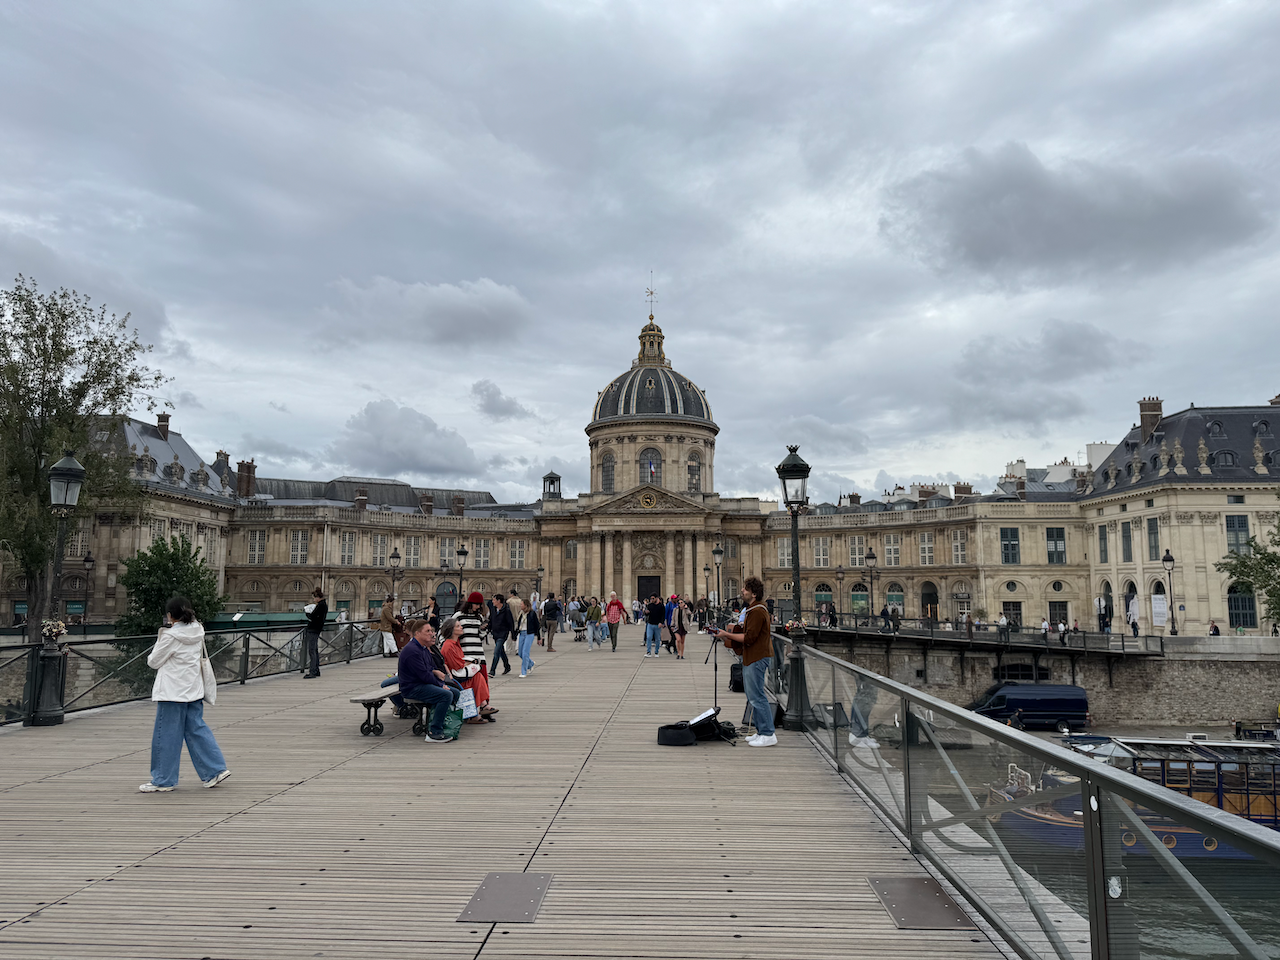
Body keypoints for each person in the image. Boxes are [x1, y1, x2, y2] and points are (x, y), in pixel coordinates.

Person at [140, 595, 231, 792]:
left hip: (172, 691)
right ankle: (214, 769)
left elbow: (153, 661)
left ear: (170, 616)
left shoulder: (170, 636)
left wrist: (162, 635)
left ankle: (163, 780)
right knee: (197, 730)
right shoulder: (198, 631)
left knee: (166, 736)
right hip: (194, 688)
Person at [715, 576, 775, 747]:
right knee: (752, 696)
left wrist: (726, 634)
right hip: (752, 656)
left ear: (753, 594)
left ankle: (768, 733)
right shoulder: (753, 609)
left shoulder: (757, 611)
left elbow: (749, 638)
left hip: (757, 657)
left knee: (757, 696)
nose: (742, 591)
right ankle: (761, 731)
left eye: (745, 589)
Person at [397, 619, 457, 743]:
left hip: (421, 683)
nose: (431, 633)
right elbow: (424, 675)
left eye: (431, 630)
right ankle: (434, 732)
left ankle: (442, 722)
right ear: (417, 633)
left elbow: (429, 669)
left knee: (455, 692)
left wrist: (437, 676)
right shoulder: (412, 650)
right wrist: (441, 685)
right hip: (412, 687)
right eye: (427, 631)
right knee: (446, 695)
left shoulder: (423, 648)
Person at [440, 617, 497, 723]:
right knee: (477, 677)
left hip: (456, 675)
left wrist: (468, 663)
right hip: (454, 678)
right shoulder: (449, 646)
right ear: (451, 630)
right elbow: (457, 665)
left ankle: (480, 708)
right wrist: (471, 663)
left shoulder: (454, 643)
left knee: (477, 676)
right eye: (458, 626)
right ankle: (482, 706)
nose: (461, 627)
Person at [302, 587, 327, 678]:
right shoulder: (323, 605)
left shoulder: (320, 606)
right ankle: (316, 670)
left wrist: (307, 614)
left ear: (317, 597)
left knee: (312, 650)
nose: (314, 599)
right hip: (317, 629)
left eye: (314, 598)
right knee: (315, 650)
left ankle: (313, 671)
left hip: (313, 629)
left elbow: (313, 617)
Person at [488, 594, 513, 677]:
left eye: (494, 600)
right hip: (495, 633)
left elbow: (510, 622)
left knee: (496, 651)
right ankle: (507, 666)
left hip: (503, 633)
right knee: (501, 651)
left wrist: (513, 634)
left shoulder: (506, 610)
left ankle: (492, 670)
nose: (492, 602)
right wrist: (488, 629)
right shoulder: (493, 610)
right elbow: (491, 621)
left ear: (499, 601)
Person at [517, 598, 539, 677]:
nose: (520, 605)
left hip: (529, 633)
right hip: (522, 633)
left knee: (525, 652)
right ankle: (531, 663)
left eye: (521, 604)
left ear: (526, 605)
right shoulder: (521, 613)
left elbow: (537, 625)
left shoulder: (532, 613)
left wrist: (539, 637)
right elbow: (519, 624)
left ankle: (523, 672)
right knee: (520, 653)